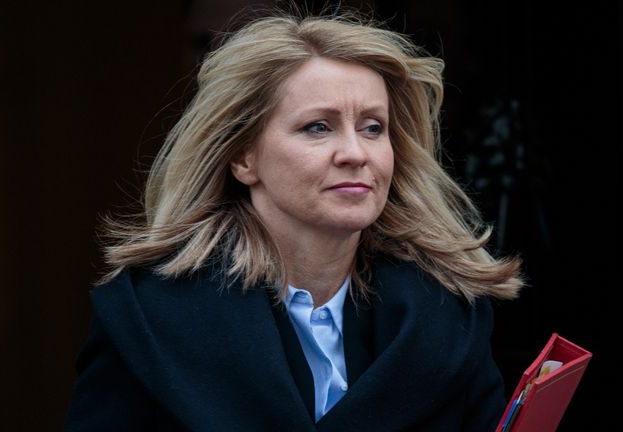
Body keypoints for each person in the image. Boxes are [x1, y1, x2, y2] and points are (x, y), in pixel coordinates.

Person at [63, 12, 523, 432]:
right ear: (243, 157)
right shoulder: (149, 318)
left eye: (372, 127)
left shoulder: (449, 313)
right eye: (317, 127)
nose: (355, 153)